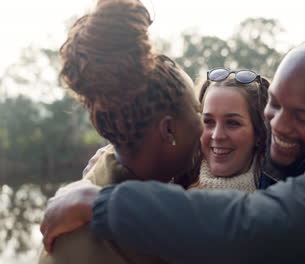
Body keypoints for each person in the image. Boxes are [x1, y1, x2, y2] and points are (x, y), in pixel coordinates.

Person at [41, 38, 305, 264]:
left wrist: (101, 204)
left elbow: (251, 224)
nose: (277, 124)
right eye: (275, 105)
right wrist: (120, 146)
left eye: (302, 115)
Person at [37, 0, 202, 263]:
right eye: (197, 110)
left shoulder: (89, 190)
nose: (203, 124)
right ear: (169, 130)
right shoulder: (150, 238)